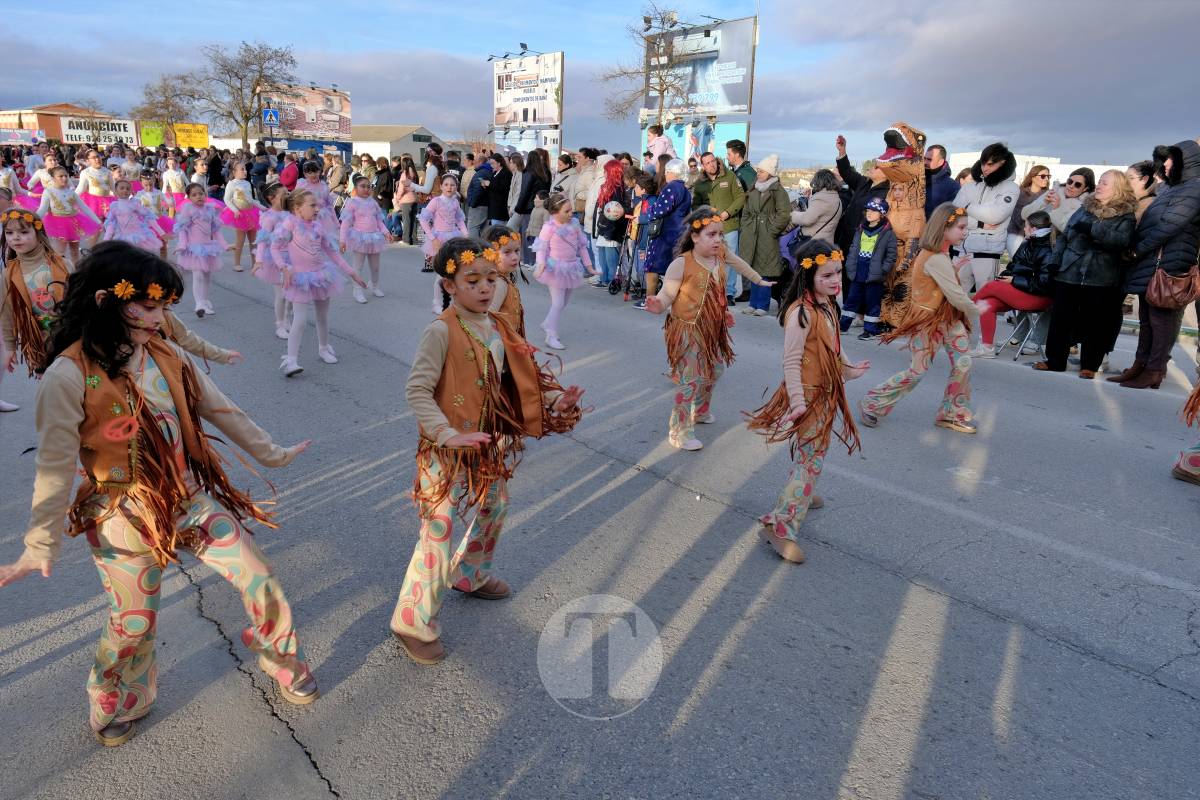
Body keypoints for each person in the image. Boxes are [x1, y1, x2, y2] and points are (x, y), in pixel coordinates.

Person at [0, 242, 319, 747]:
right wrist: (40, 542)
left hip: (190, 501)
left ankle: (279, 655)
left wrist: (273, 453)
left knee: (259, 575)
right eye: (148, 306)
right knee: (133, 625)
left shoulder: (167, 355)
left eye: (165, 307)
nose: (159, 318)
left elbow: (221, 410)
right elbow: (54, 466)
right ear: (108, 300)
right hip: (124, 515)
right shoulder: (68, 374)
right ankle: (115, 694)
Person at [392, 236, 584, 664]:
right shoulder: (439, 331)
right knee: (438, 530)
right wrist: (445, 433)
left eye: (490, 279)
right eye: (471, 279)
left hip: (486, 443)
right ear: (449, 285)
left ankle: (471, 574)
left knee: (495, 505)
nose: (483, 287)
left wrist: (555, 401)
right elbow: (418, 390)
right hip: (445, 449)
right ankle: (411, 621)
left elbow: (524, 375)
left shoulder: (499, 324)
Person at [746, 239, 868, 563]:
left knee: (813, 453)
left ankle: (806, 491)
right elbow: (791, 362)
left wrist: (851, 370)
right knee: (810, 459)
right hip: (809, 396)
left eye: (838, 273)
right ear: (809, 275)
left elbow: (833, 347)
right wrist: (798, 402)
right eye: (827, 275)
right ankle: (780, 527)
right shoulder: (800, 313)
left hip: (826, 394)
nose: (835, 280)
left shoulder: (827, 305)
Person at [643, 207, 773, 451]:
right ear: (694, 236)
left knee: (715, 370)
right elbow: (666, 295)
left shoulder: (720, 255)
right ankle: (678, 431)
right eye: (711, 235)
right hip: (687, 329)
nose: (718, 240)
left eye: (720, 235)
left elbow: (741, 264)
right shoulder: (681, 264)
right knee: (690, 379)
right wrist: (656, 304)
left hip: (712, 328)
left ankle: (699, 411)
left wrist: (758, 280)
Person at [859, 203, 979, 434]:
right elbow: (956, 295)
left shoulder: (943, 255)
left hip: (948, 318)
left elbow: (949, 289)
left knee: (963, 363)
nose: (965, 232)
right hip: (926, 321)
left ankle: (951, 414)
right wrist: (978, 310)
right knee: (917, 372)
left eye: (966, 228)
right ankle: (872, 403)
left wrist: (957, 271)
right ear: (944, 228)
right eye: (961, 227)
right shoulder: (934, 258)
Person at [1112, 140, 1200, 388]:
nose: (1167, 163)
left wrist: (1137, 250)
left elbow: (1168, 226)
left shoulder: (1194, 188)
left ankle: (1155, 370)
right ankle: (1140, 365)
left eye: (1172, 158)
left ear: (1187, 161)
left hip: (1170, 263)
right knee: (1147, 320)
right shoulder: (1170, 189)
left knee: (1162, 321)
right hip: (1153, 261)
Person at [1033, 169, 1137, 378]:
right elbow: (1065, 236)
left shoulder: (1126, 214)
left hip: (1101, 275)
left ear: (1117, 188)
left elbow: (1121, 241)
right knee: (1061, 318)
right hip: (1070, 270)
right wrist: (1055, 262)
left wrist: (1093, 229)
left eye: (1104, 183)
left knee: (1095, 323)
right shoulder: (1085, 207)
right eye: (1099, 182)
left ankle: (1089, 364)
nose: (1099, 186)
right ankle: (1055, 360)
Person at [272, 189, 367, 375]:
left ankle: (323, 348)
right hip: (300, 278)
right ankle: (291, 361)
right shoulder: (289, 224)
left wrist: (351, 273)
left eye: (317, 205)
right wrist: (283, 267)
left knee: (322, 316)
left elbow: (332, 253)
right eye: (312, 205)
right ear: (298, 208)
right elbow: (275, 247)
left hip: (321, 276)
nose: (317, 209)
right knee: (299, 319)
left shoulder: (317, 226)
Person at [972, 210, 1057, 357]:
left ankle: (959, 313)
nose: (1023, 229)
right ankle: (986, 348)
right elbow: (1012, 267)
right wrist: (1005, 278)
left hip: (1040, 297)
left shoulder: (1048, 250)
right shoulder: (1027, 244)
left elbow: (1044, 284)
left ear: (1034, 229)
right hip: (1021, 292)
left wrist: (1014, 280)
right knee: (988, 304)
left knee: (990, 286)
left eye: (1026, 226)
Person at [2, 209, 73, 377]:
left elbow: (81, 302)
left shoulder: (63, 264)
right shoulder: (8, 274)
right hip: (39, 344)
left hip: (70, 339)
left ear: (38, 233)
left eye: (24, 231)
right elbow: (6, 312)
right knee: (49, 390)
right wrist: (10, 348)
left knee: (76, 388)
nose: (15, 237)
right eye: (9, 233)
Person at [951, 142, 1019, 302]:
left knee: (985, 303)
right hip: (962, 249)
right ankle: (955, 327)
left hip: (987, 252)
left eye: (990, 164)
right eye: (983, 163)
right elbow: (954, 214)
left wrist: (967, 206)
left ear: (1003, 163)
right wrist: (980, 223)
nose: (984, 168)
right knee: (952, 302)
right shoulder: (970, 186)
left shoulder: (1011, 188)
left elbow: (995, 216)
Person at [532, 193, 596, 350]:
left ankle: (548, 323)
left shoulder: (574, 225)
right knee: (558, 303)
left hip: (571, 267)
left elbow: (582, 246)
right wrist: (540, 265)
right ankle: (551, 335)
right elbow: (541, 247)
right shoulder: (549, 228)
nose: (570, 214)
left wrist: (589, 267)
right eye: (566, 211)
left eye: (571, 210)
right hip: (555, 269)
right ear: (555, 213)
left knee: (564, 302)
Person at [739, 154, 793, 316]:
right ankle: (752, 303)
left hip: (767, 236)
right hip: (752, 233)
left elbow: (784, 213)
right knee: (753, 269)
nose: (758, 174)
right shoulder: (754, 188)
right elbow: (746, 211)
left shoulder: (778, 190)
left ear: (770, 173)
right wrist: (746, 226)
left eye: (761, 171)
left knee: (766, 271)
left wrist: (772, 229)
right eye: (758, 171)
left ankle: (762, 304)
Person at [692, 151, 746, 304]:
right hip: (709, 229)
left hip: (729, 226)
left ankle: (728, 292)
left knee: (729, 258)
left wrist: (727, 213)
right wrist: (704, 215)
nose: (711, 165)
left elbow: (741, 197)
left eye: (713, 161)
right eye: (707, 163)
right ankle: (712, 291)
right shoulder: (700, 183)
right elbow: (695, 205)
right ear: (703, 165)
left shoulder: (729, 176)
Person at [841, 197, 897, 340]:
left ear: (882, 214)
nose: (869, 213)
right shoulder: (861, 229)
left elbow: (891, 255)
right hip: (859, 269)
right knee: (852, 298)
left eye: (874, 211)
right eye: (868, 210)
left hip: (875, 273)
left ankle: (870, 331)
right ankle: (843, 326)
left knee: (872, 302)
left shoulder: (888, 232)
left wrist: (883, 270)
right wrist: (850, 264)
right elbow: (854, 248)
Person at [172, 183, 229, 318]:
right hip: (194, 249)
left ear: (205, 194)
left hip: (208, 248)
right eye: (194, 195)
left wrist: (225, 245)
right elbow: (183, 230)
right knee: (198, 276)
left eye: (201, 193)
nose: (199, 197)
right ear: (189, 197)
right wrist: (181, 245)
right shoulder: (188, 210)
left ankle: (205, 300)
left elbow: (216, 231)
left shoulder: (210, 210)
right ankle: (199, 304)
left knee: (207, 276)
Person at [642, 159, 693, 302]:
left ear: (672, 172)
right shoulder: (685, 189)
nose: (665, 175)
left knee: (652, 267)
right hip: (678, 232)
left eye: (667, 172)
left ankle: (650, 300)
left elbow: (660, 210)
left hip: (665, 234)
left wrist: (649, 211)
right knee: (673, 270)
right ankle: (671, 301)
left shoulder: (671, 187)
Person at [420, 175, 469, 314]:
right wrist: (432, 238)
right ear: (441, 186)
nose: (449, 187)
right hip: (439, 239)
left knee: (453, 272)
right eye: (446, 184)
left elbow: (459, 220)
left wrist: (465, 235)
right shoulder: (436, 201)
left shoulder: (455, 202)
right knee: (441, 273)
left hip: (453, 239)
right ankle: (437, 303)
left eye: (452, 185)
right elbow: (423, 220)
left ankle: (453, 302)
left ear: (456, 187)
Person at [340, 175, 394, 304]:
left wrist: (386, 232)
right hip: (359, 237)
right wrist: (342, 240)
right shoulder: (352, 203)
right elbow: (345, 223)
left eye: (368, 187)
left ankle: (374, 286)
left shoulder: (373, 202)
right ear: (356, 188)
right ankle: (357, 290)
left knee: (375, 266)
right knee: (358, 266)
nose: (366, 189)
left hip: (374, 237)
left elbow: (379, 221)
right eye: (362, 186)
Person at [833, 136, 890, 256]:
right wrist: (842, 151)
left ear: (887, 174)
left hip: (860, 245)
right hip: (843, 236)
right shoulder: (864, 182)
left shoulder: (886, 194)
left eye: (877, 167)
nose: (872, 167)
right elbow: (847, 172)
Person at [36, 167, 102, 263]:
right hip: (58, 224)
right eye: (60, 176)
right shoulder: (48, 192)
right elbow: (42, 209)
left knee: (75, 250)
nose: (64, 178)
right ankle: (61, 273)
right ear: (53, 178)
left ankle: (76, 271)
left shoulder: (71, 192)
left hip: (74, 223)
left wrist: (98, 221)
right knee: (60, 251)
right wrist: (32, 219)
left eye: (66, 176)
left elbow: (85, 208)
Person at [252, 183, 292, 339]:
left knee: (291, 293)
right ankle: (280, 324)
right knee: (281, 294)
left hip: (293, 257)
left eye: (288, 193)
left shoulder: (290, 213)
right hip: (276, 259)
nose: (288, 196)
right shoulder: (269, 217)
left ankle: (288, 319)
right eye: (284, 194)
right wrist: (259, 260)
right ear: (272, 198)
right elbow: (262, 241)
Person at [220, 161, 266, 271]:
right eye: (242, 169)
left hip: (251, 213)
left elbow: (251, 200)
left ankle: (254, 262)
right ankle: (237, 263)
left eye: (245, 169)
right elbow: (227, 199)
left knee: (253, 241)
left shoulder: (247, 183)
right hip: (240, 215)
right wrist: (235, 210)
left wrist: (262, 207)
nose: (245, 171)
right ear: (234, 172)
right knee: (240, 241)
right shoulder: (232, 184)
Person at [483, 225, 528, 336]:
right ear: (491, 254)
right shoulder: (499, 283)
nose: (514, 257)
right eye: (507, 252)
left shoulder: (503, 279)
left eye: (517, 250)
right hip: (501, 344)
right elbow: (487, 318)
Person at [592, 159, 630, 288]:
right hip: (604, 225)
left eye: (606, 171)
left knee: (610, 255)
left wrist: (611, 228)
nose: (604, 173)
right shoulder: (606, 187)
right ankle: (604, 279)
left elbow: (616, 210)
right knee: (602, 252)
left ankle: (612, 280)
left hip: (612, 227)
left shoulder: (618, 189)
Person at [1022, 168, 1095, 233]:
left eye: (1077, 185)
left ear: (1085, 189)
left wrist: (1056, 209)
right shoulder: (1055, 192)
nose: (1071, 186)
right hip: (1033, 240)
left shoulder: (1083, 206)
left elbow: (1068, 230)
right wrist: (1043, 202)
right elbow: (1024, 214)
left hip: (1055, 246)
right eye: (1070, 181)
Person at [101, 180, 166, 253]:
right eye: (122, 188)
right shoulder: (114, 206)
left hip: (138, 237)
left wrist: (161, 233)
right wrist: (106, 240)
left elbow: (149, 217)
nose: (125, 190)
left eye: (128, 189)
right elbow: (111, 225)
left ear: (131, 192)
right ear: (115, 191)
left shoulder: (135, 204)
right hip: (122, 238)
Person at [513, 149, 551, 265]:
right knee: (539, 234)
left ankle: (529, 260)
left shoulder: (528, 172)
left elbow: (524, 192)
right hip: (543, 205)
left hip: (529, 207)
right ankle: (537, 260)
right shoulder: (545, 172)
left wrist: (518, 208)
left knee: (528, 233)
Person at [1008, 164, 1051, 257]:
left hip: (1037, 234)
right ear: (1033, 177)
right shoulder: (1020, 192)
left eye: (1048, 176)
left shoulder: (1048, 195)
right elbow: (1017, 216)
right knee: (1017, 259)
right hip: (1017, 232)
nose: (1046, 179)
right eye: (1043, 176)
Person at [924, 144, 958, 218]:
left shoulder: (953, 187)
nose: (925, 162)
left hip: (935, 228)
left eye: (929, 159)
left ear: (941, 162)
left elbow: (953, 215)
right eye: (924, 158)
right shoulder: (917, 180)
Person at [484, 153, 512, 227]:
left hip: (500, 208)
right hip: (494, 207)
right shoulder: (495, 172)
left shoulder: (506, 173)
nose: (491, 165)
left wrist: (489, 184)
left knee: (498, 231)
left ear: (499, 163)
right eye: (491, 163)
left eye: (493, 163)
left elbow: (503, 188)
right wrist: (486, 185)